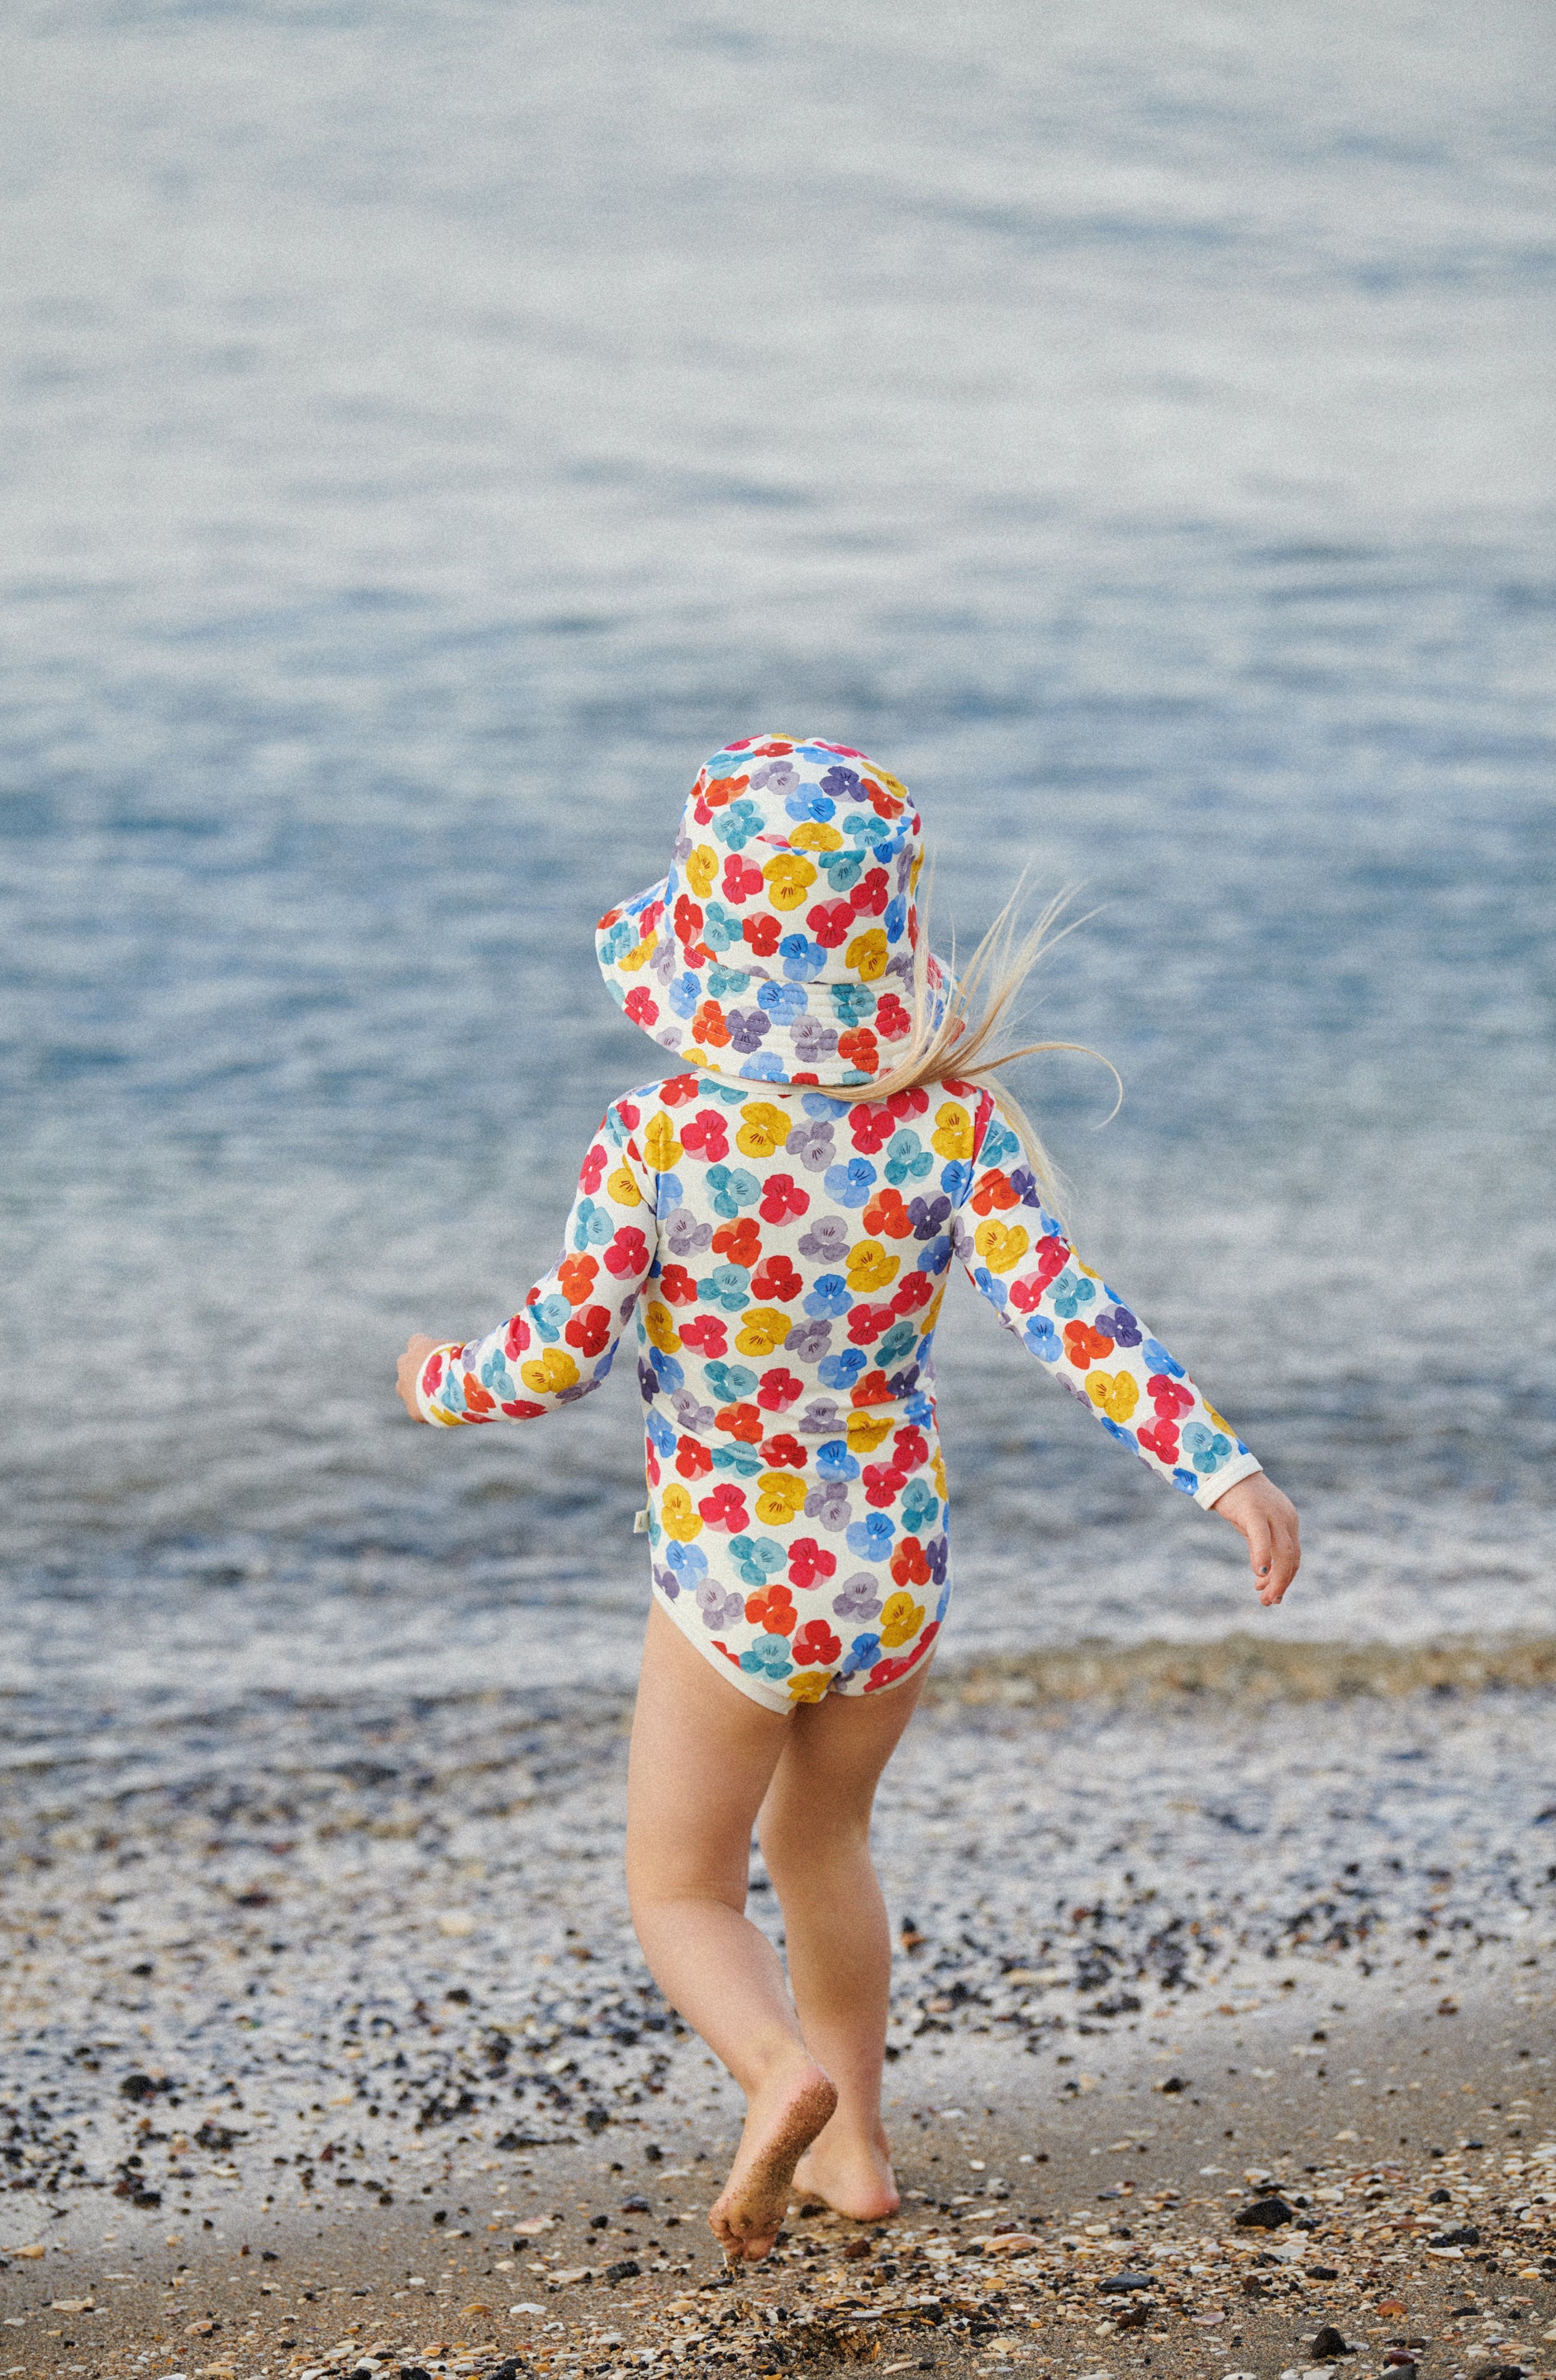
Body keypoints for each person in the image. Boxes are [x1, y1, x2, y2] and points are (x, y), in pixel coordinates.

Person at [395, 732, 1300, 2263]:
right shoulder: (949, 1128)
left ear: (703, 948)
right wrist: (1224, 1470)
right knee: (828, 1848)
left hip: (731, 1586)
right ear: (887, 948)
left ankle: (778, 2073)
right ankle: (861, 2152)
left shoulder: (659, 1138)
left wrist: (435, 1380)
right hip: (893, 1575)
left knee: (681, 1885)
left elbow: (552, 1358)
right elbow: (1077, 1320)